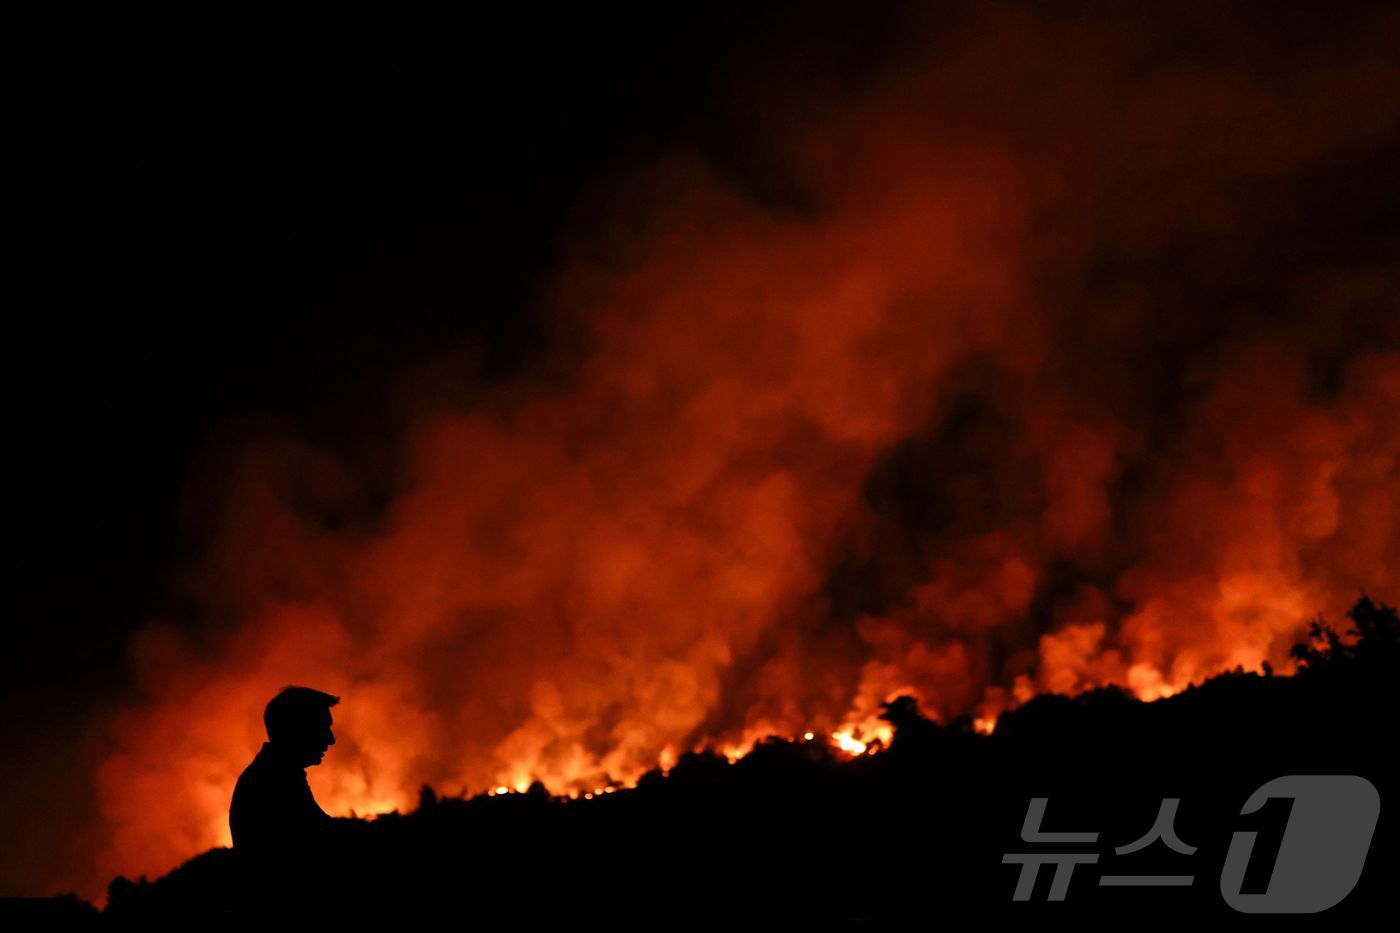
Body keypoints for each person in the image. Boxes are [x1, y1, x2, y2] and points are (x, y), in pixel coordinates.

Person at [228, 686, 340, 906]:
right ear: (298, 728)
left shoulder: (277, 774)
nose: (331, 739)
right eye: (323, 727)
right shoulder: (273, 780)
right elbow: (322, 839)